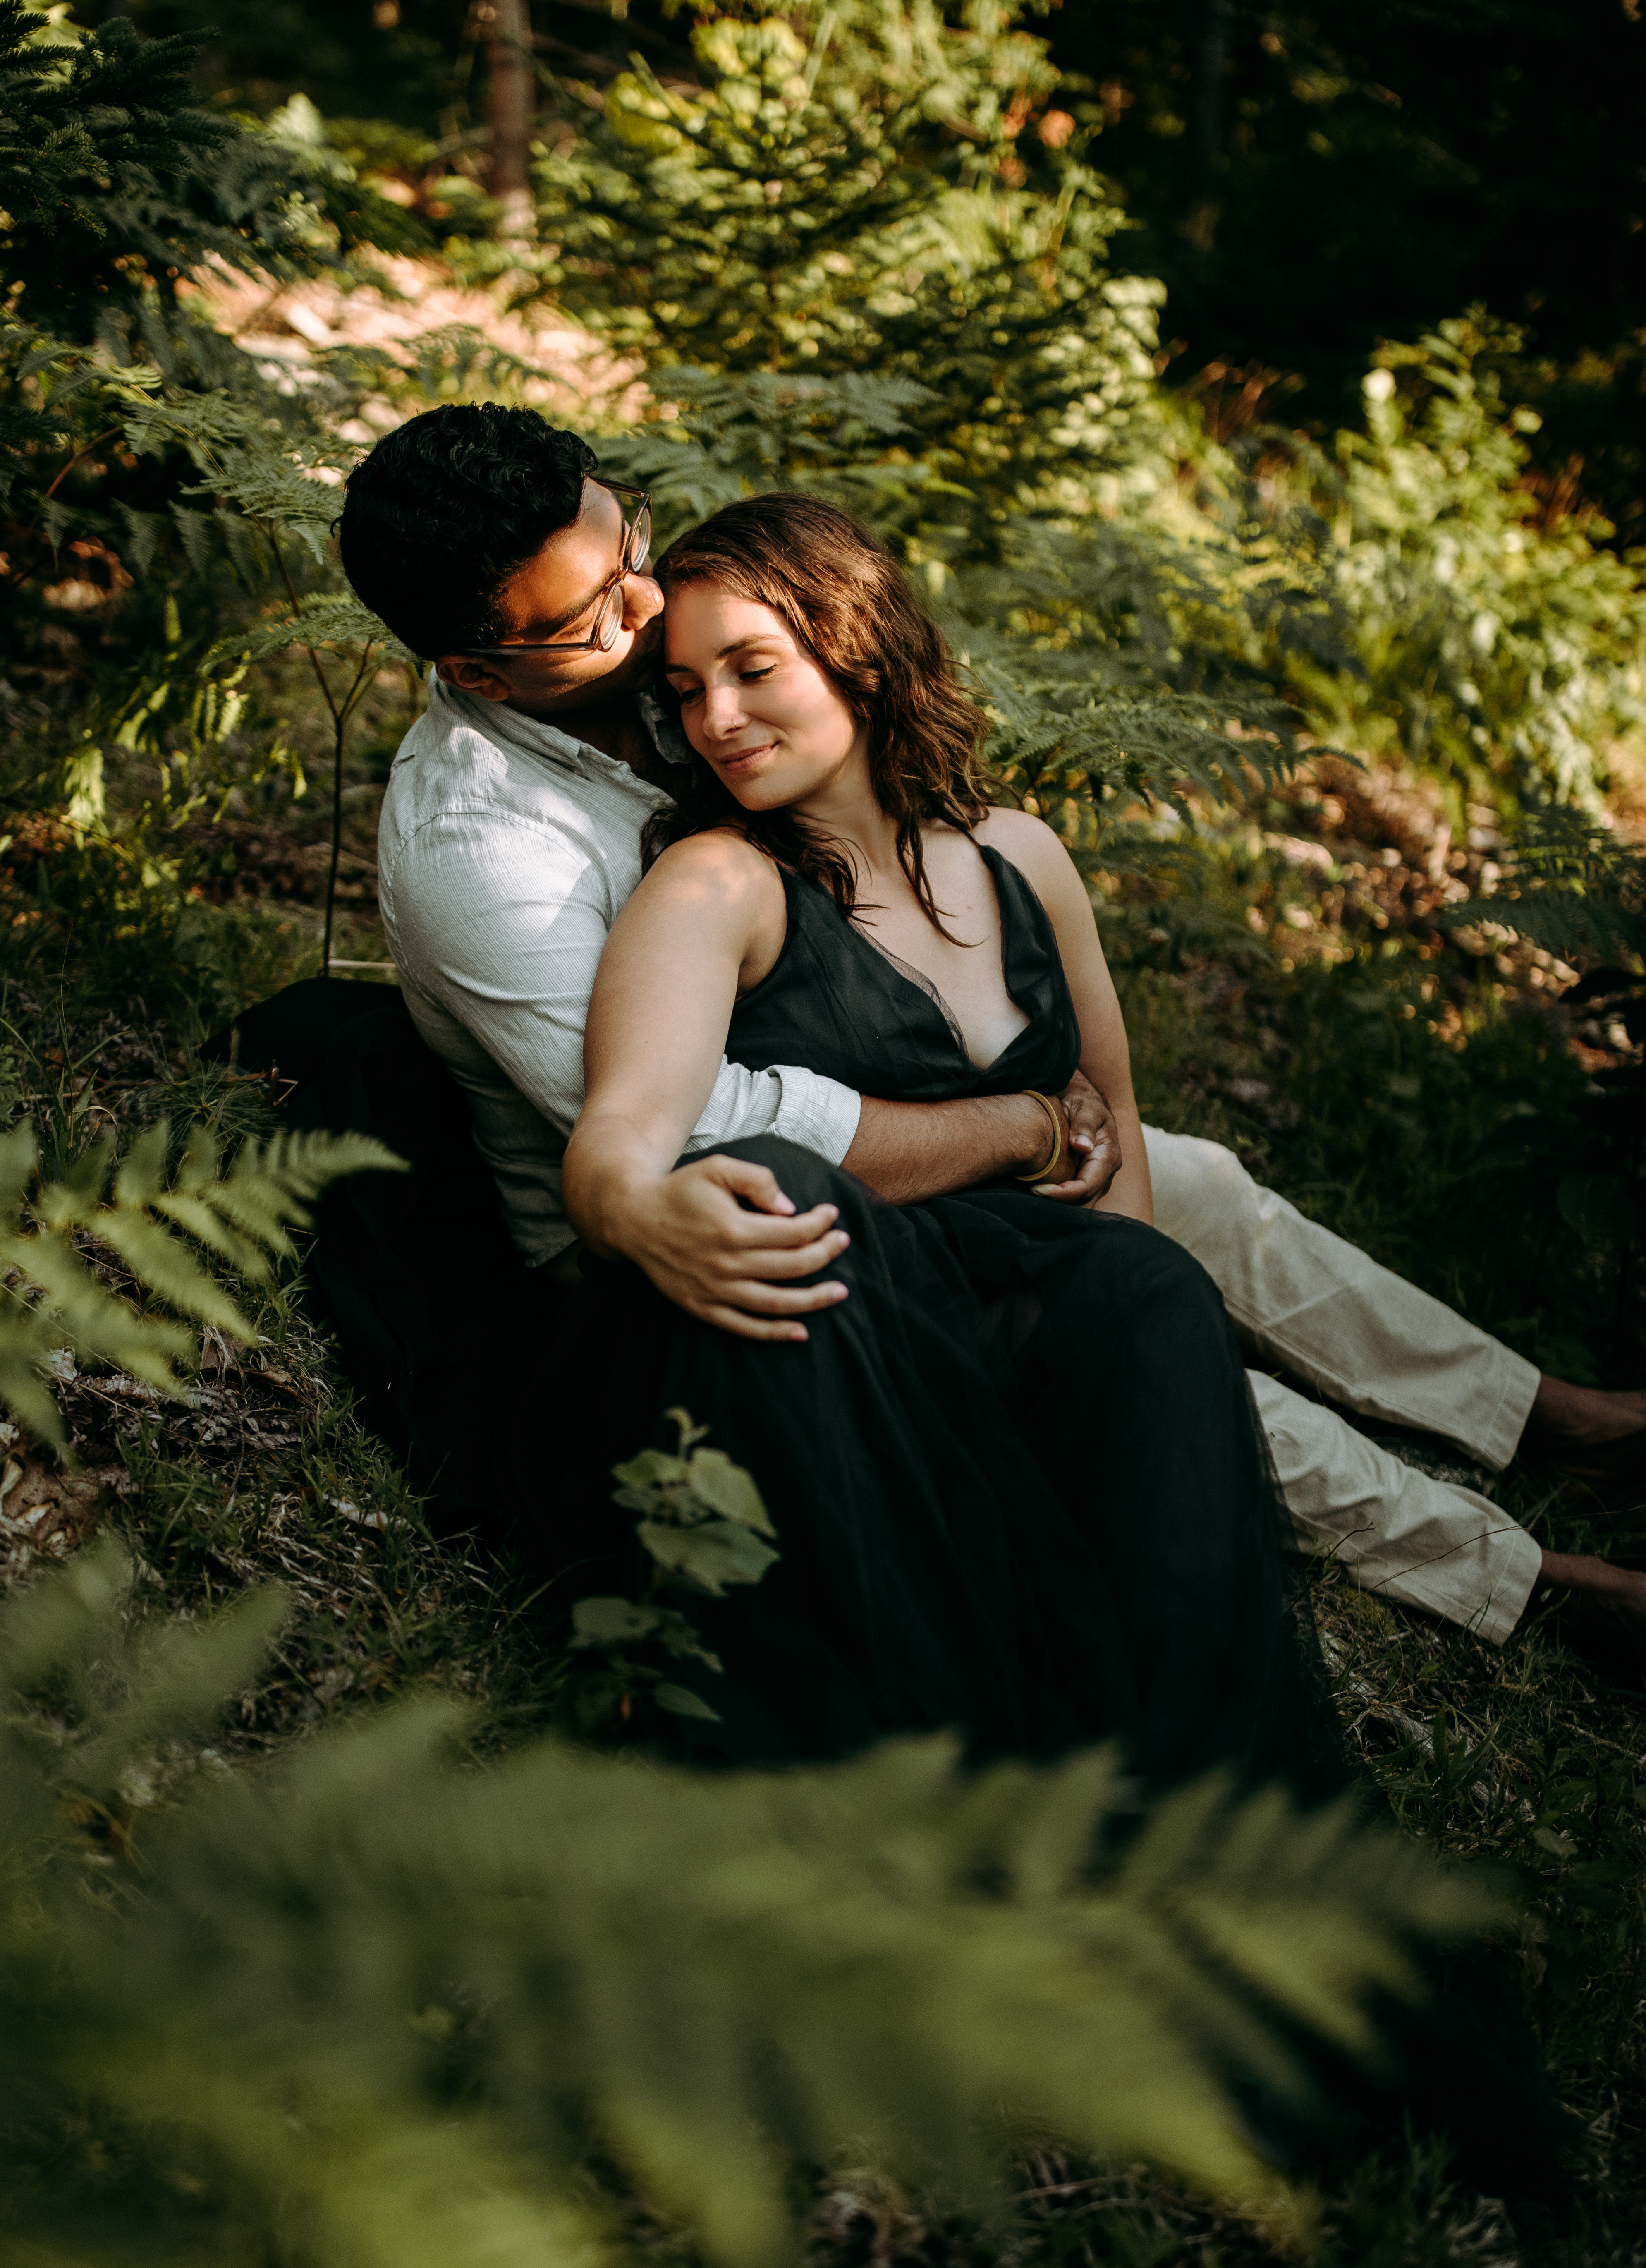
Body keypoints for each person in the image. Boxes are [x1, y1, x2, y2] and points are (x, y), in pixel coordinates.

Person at [337, 400, 1646, 1676]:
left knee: (1194, 1188)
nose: (643, 609)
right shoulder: (482, 843)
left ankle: (1544, 1421)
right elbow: (685, 1121)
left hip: (843, 1106)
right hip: (675, 1236)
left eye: (631, 550)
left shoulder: (670, 685)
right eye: (598, 615)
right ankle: (1516, 1580)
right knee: (1095, 1338)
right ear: (475, 668)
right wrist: (1008, 1125)